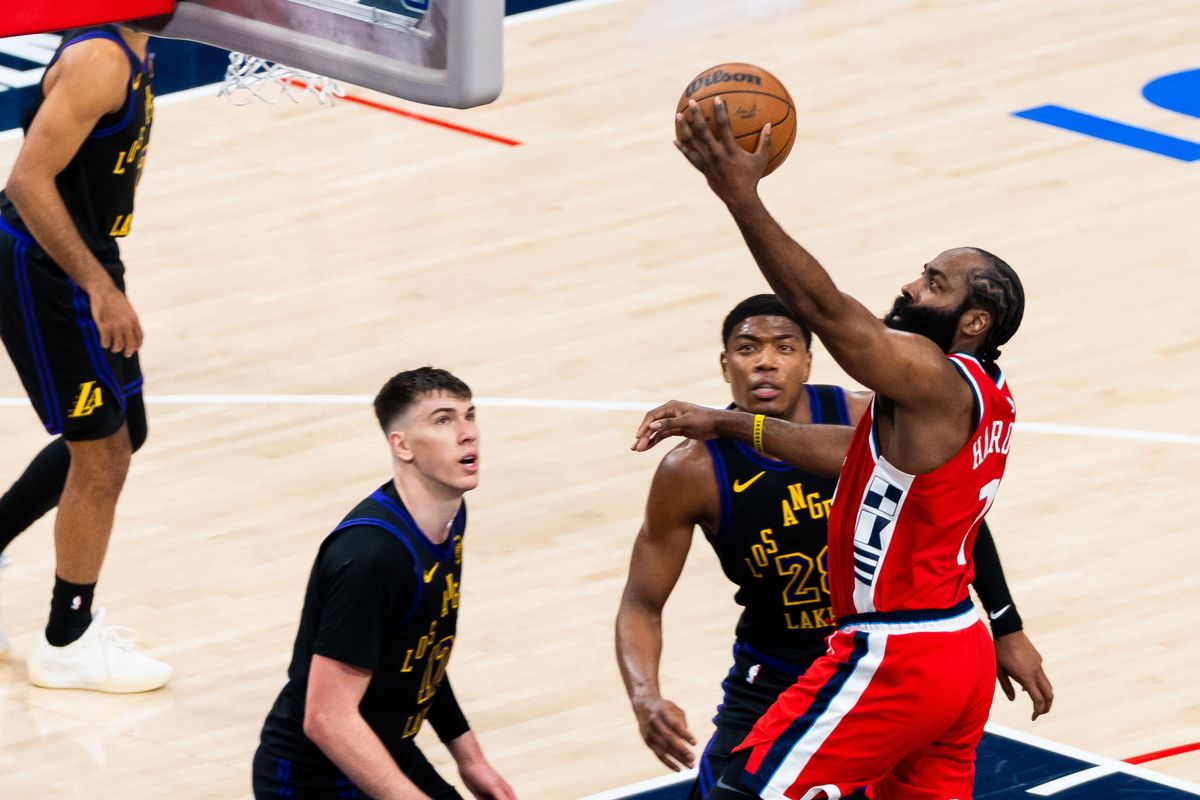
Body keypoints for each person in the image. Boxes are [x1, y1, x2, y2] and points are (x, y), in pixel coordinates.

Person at [633, 98, 1035, 798]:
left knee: (742, 792)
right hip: (958, 645)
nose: (911, 286)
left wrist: (741, 197)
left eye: (934, 284)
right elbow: (850, 452)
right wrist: (726, 424)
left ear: (973, 322)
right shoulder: (972, 395)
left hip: (899, 649)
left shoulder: (932, 378)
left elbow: (824, 310)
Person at [617, 296, 1051, 799]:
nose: (765, 361)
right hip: (775, 676)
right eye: (747, 348)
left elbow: (957, 518)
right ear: (725, 365)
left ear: (807, 360)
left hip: (883, 666)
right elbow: (640, 603)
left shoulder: (864, 415)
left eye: (784, 347)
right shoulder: (692, 470)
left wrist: (1007, 626)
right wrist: (645, 695)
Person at [253, 367, 516, 800]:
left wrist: (470, 758)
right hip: (312, 779)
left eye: (470, 415)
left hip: (385, 749)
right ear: (402, 444)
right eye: (444, 420)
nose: (468, 433)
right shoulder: (371, 557)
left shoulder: (448, 517)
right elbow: (326, 719)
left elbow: (422, 649)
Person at [0, 25, 166, 690]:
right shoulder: (101, 58)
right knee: (101, 452)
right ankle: (66, 641)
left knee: (129, 431)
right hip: (46, 265)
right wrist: (97, 287)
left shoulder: (136, 41)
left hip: (86, 255)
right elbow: (27, 180)